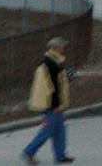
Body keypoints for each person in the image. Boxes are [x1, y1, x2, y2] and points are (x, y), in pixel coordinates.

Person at [22, 36, 74, 164]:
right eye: (62, 46)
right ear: (56, 48)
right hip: (51, 104)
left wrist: (67, 77)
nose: (64, 48)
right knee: (48, 130)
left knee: (60, 130)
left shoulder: (54, 62)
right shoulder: (50, 64)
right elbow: (52, 86)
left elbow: (59, 82)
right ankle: (29, 152)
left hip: (53, 103)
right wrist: (57, 104)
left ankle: (60, 155)